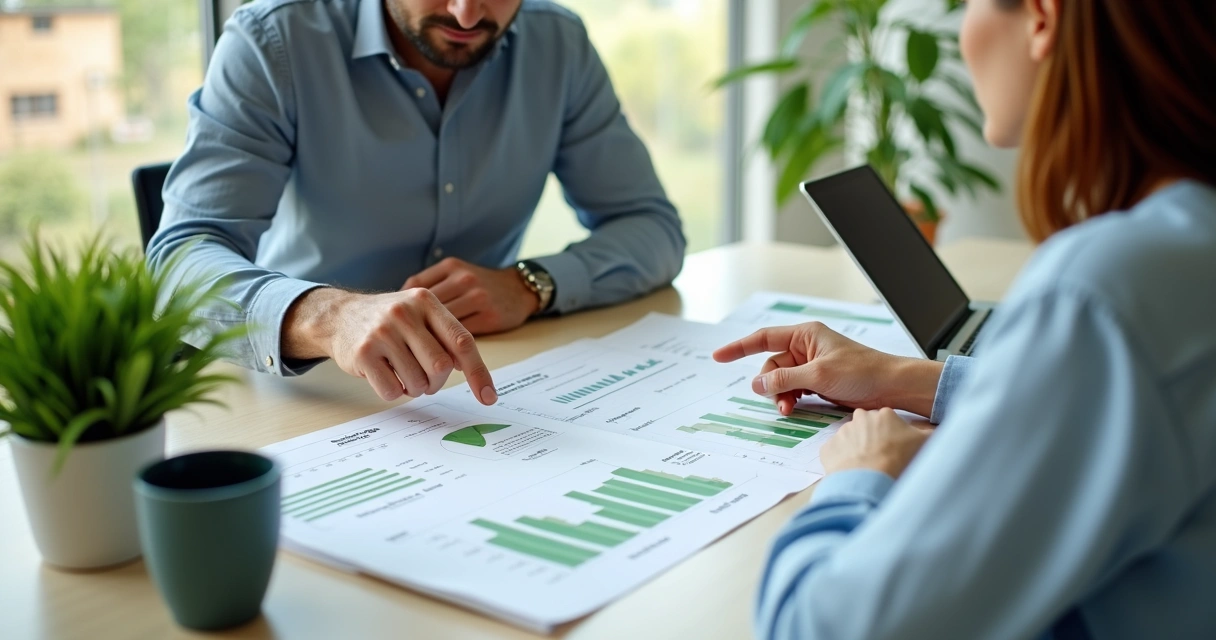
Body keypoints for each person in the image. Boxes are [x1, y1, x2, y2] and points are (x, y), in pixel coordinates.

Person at [713, 0, 1216, 637]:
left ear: (1040, 18)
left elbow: (817, 628)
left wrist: (860, 477)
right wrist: (907, 378)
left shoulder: (1102, 294)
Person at [147, 0, 685, 404]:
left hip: (484, 389)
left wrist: (531, 284)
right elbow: (177, 262)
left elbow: (652, 228)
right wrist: (330, 317)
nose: (467, 14)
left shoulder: (558, 44)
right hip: (308, 396)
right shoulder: (275, 39)